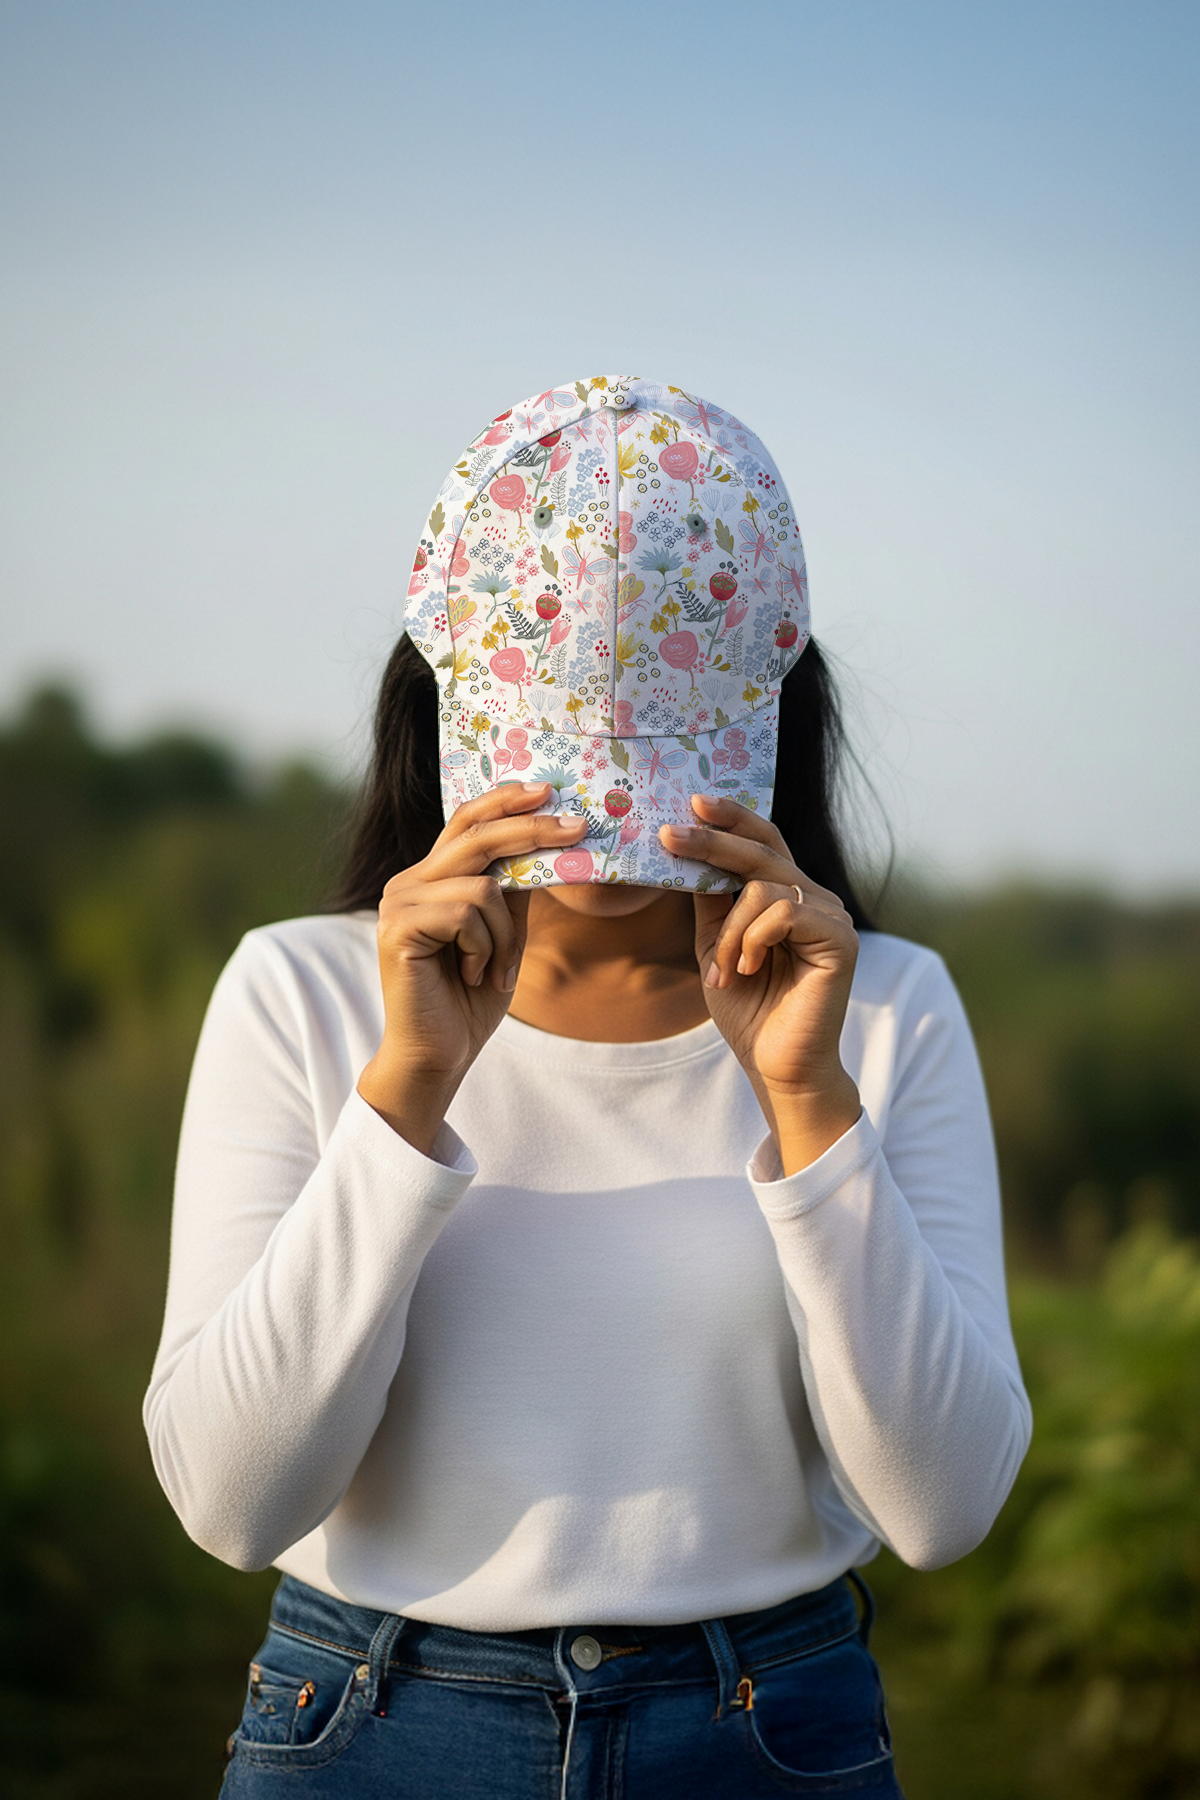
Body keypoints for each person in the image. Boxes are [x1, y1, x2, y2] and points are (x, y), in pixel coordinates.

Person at [144, 378, 1031, 1799]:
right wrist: (410, 1092)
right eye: (564, 785)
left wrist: (809, 1109)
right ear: (438, 713)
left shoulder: (887, 1010)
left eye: (667, 784)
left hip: (768, 1733)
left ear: (777, 713)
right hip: (367, 1728)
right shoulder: (301, 993)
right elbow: (235, 1504)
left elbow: (939, 1509)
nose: (615, 858)